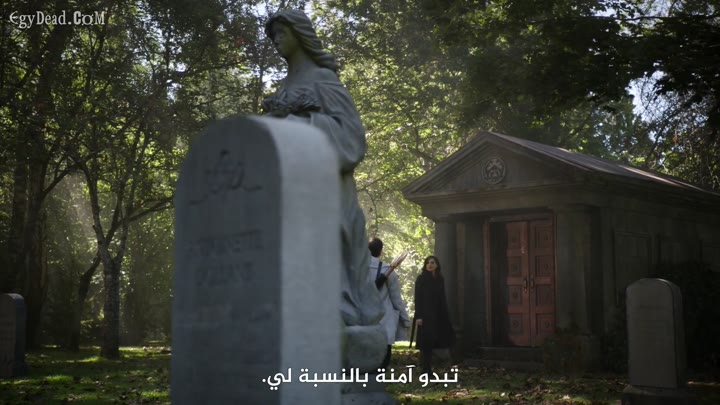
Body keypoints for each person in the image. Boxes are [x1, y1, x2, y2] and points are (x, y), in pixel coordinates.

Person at [262, 10, 382, 327]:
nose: (276, 41)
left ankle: (338, 307)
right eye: (273, 36)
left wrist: (298, 121)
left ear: (300, 34)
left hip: (326, 188)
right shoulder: (283, 88)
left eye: (282, 33)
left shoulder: (323, 80)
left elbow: (351, 138)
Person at [368, 237, 411, 369]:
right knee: (383, 360)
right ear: (381, 251)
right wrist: (405, 319)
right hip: (384, 319)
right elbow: (395, 298)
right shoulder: (387, 270)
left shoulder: (358, 269)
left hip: (364, 318)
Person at [414, 255, 455, 375]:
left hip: (438, 314)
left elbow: (442, 297)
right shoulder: (421, 279)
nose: (430, 265)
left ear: (437, 265)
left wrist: (444, 315)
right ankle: (426, 370)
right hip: (425, 315)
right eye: (427, 263)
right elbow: (418, 298)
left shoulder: (440, 279)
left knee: (435, 341)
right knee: (426, 342)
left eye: (432, 263)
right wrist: (419, 316)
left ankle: (432, 367)